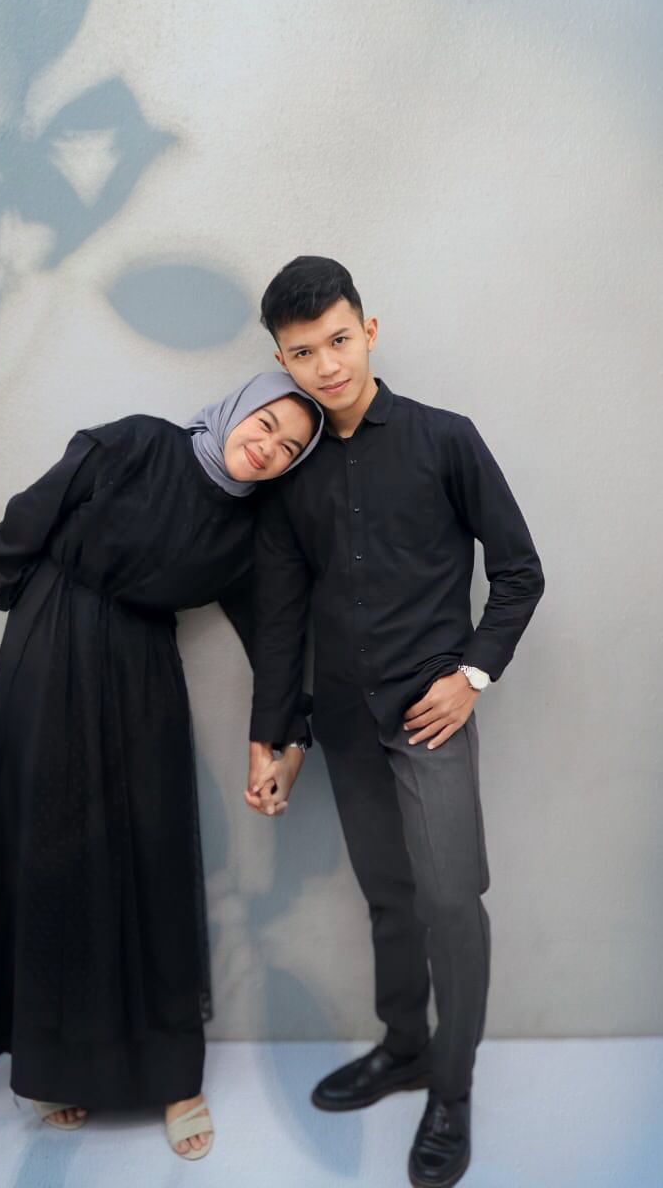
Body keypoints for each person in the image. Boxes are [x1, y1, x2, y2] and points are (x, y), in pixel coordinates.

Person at [0, 372, 322, 1160]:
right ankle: (56, 1065)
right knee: (52, 854)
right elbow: (30, 516)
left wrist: (283, 739)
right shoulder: (139, 442)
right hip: (51, 643)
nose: (269, 448)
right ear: (238, 411)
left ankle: (175, 1079)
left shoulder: (249, 535)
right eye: (266, 425)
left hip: (142, 670)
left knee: (153, 856)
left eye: (290, 449)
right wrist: (33, 606)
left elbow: (276, 641)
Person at [245, 258, 544, 1188]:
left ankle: (451, 1092)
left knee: (452, 903)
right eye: (304, 353)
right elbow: (282, 621)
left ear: (368, 331)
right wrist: (276, 739)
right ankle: (404, 1047)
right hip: (343, 719)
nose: (327, 365)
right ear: (283, 361)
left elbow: (520, 571)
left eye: (339, 340)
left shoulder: (445, 439)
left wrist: (474, 675)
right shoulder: (291, 475)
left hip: (430, 718)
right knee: (389, 897)